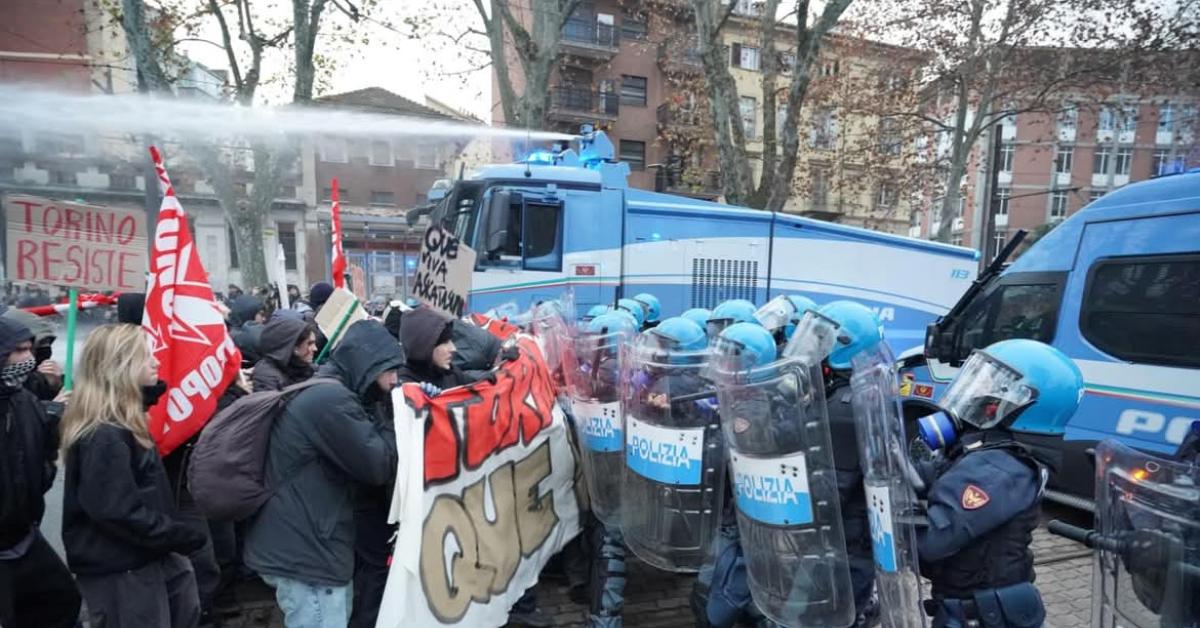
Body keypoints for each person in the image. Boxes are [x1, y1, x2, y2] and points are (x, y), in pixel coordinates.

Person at [909, 339, 1081, 628]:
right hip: (972, 605)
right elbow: (936, 473)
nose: (982, 395)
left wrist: (891, 503)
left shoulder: (1000, 468)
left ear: (1028, 405)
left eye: (999, 389)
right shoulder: (989, 450)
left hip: (984, 614)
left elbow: (931, 542)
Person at [244, 319, 401, 628]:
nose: (396, 380)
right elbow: (378, 466)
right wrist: (392, 412)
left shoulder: (330, 390)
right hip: (307, 554)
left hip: (306, 544)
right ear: (368, 365)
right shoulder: (331, 401)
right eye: (391, 369)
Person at [60, 324, 206, 628]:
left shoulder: (123, 424)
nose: (155, 362)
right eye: (145, 357)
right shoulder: (105, 435)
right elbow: (117, 511)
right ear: (119, 368)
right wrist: (175, 534)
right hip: (122, 568)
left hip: (145, 558)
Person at [0, 317, 80, 628]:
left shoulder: (25, 402)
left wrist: (53, 421)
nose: (28, 358)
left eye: (29, 350)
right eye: (18, 350)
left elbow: (40, 463)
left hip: (24, 538)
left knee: (61, 603)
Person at [810, 301, 883, 627]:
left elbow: (827, 494)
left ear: (843, 347)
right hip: (848, 541)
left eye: (821, 339)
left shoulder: (842, 408)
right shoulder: (847, 391)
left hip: (843, 545)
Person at [2, 308, 63, 401]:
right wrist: (52, 409)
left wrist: (54, 385)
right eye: (20, 349)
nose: (28, 356)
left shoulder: (36, 376)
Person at [252, 317, 317, 392]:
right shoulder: (266, 377)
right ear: (293, 347)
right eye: (309, 343)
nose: (315, 348)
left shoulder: (305, 367)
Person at [228, 294, 267, 367]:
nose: (264, 318)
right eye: (261, 314)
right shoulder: (251, 337)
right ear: (248, 312)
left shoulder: (231, 333)